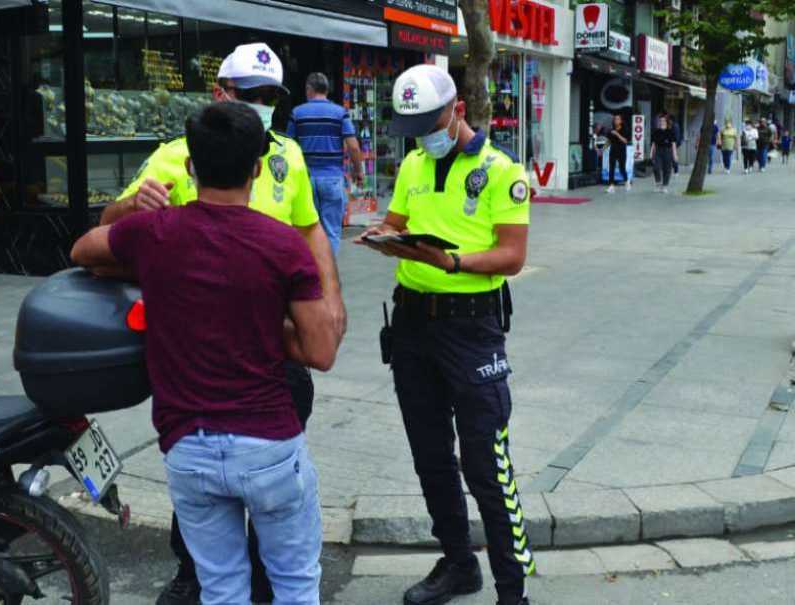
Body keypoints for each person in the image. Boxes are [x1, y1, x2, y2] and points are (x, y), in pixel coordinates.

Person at [101, 42, 346, 605]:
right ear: (221, 95)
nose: (262, 106)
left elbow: (310, 229)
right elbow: (110, 228)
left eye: (270, 98)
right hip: (203, 365)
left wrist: (331, 297)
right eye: (250, 96)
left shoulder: (288, 155)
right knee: (260, 558)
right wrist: (134, 204)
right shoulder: (171, 157)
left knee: (245, 553)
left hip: (270, 361)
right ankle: (194, 573)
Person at [356, 64, 533, 605]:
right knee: (430, 453)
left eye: (430, 123)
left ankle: (512, 589)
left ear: (457, 110)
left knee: (486, 460)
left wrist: (452, 261)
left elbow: (513, 255)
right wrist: (384, 237)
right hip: (412, 324)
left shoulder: (502, 170)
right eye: (413, 127)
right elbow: (398, 222)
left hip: (472, 328)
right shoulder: (413, 163)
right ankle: (458, 563)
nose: (422, 136)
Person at [287, 72, 364, 255]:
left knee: (306, 229)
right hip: (332, 179)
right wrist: (358, 171)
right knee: (331, 231)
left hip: (305, 180)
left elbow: (288, 144)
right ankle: (328, 275)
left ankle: (309, 273)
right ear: (327, 90)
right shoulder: (340, 113)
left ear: (309, 89)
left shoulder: (297, 113)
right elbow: (353, 147)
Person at [650, 115, 676, 194]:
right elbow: (653, 143)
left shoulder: (670, 131)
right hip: (658, 151)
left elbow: (673, 144)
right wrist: (651, 152)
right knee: (656, 167)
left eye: (663, 121)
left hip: (668, 151)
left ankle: (665, 186)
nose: (661, 122)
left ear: (666, 122)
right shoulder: (656, 131)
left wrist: (675, 154)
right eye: (660, 121)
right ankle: (658, 183)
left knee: (667, 169)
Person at [605, 114, 630, 193]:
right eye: (615, 119)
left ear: (621, 121)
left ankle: (626, 181)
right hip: (613, 150)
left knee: (621, 168)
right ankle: (611, 186)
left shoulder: (625, 129)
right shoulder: (611, 130)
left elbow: (625, 141)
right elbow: (609, 141)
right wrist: (602, 149)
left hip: (622, 150)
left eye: (618, 119)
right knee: (611, 168)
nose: (616, 120)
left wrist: (617, 134)